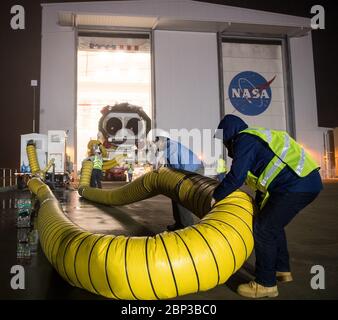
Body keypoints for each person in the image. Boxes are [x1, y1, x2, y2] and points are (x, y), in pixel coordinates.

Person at [212, 114, 323, 299]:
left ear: (229, 134)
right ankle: (281, 270)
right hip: (305, 181)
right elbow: (263, 180)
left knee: (264, 229)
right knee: (271, 222)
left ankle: (265, 284)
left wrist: (216, 196)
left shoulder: (244, 139)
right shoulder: (258, 139)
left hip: (295, 184)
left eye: (224, 140)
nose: (224, 145)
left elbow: (237, 177)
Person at [148, 129, 204, 231]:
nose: (154, 145)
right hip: (186, 170)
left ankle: (186, 226)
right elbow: (166, 165)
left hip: (195, 170)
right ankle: (179, 222)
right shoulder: (167, 147)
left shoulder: (171, 147)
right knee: (174, 193)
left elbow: (175, 170)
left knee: (181, 195)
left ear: (161, 140)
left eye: (154, 143)